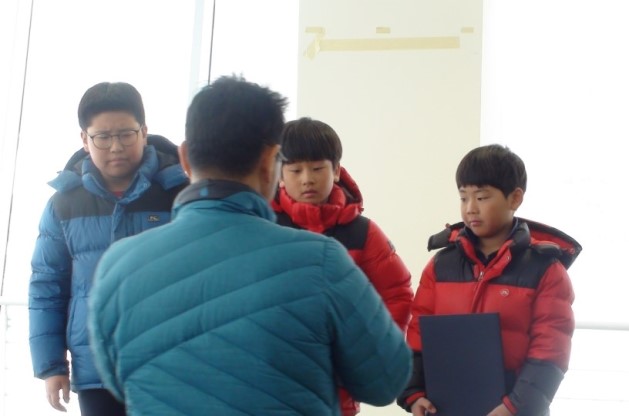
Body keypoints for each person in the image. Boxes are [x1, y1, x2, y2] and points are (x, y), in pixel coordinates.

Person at [87, 75, 413, 415]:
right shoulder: (322, 260)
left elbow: (116, 381)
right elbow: (384, 381)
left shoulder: (117, 265)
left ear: (184, 159)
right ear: (271, 161)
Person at [28, 81, 188, 416]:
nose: (116, 146)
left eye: (126, 134)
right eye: (103, 136)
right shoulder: (63, 205)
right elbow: (47, 286)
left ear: (144, 132)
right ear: (84, 139)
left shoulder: (179, 195)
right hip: (95, 370)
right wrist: (51, 365)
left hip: (170, 365)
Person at [397, 144, 581, 416]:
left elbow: (551, 350)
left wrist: (515, 407)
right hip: (446, 408)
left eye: (481, 197)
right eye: (463, 198)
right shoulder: (440, 266)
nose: (470, 208)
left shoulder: (545, 270)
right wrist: (414, 394)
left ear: (515, 198)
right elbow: (418, 335)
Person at [272, 116, 414, 416]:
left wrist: (366, 355)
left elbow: (397, 294)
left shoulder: (363, 233)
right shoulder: (265, 227)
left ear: (336, 170)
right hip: (272, 388)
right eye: (295, 170)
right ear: (279, 174)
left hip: (338, 397)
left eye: (317, 168)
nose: (307, 179)